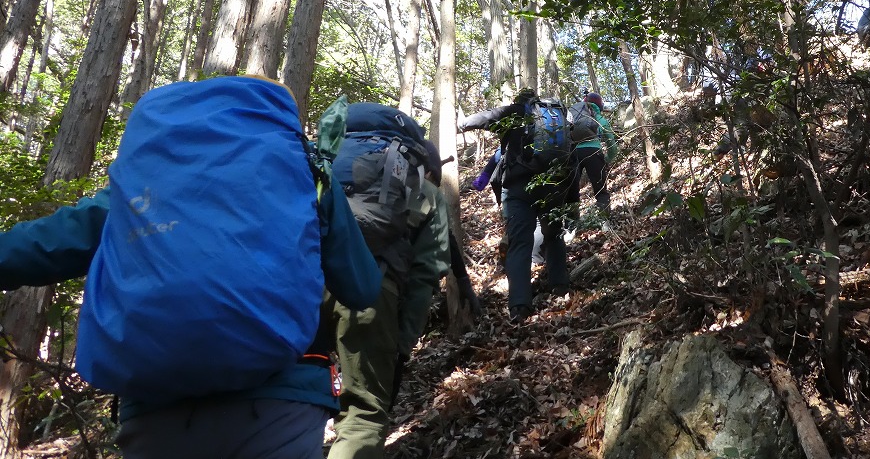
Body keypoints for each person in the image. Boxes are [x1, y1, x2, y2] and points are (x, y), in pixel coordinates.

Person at [0, 77, 381, 459]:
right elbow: (361, 288)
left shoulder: (146, 182)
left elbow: (50, 242)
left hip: (155, 410)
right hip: (278, 404)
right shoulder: (304, 169)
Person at [327, 103, 458, 459]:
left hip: (297, 289)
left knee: (292, 401)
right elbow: (427, 272)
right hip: (369, 291)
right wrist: (403, 342)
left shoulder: (321, 166)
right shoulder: (425, 191)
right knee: (362, 417)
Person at [458, 88, 574, 323]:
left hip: (519, 187)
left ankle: (520, 307)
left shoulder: (514, 112)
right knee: (554, 235)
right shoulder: (555, 118)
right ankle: (560, 286)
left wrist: (462, 124)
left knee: (520, 243)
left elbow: (487, 117)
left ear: (518, 101)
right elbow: (572, 155)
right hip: (553, 183)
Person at [573, 92, 620, 229]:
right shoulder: (600, 119)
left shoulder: (576, 116)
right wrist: (607, 159)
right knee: (601, 190)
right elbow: (611, 144)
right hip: (594, 152)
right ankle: (604, 223)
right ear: (600, 105)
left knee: (572, 190)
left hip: (575, 153)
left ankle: (572, 226)